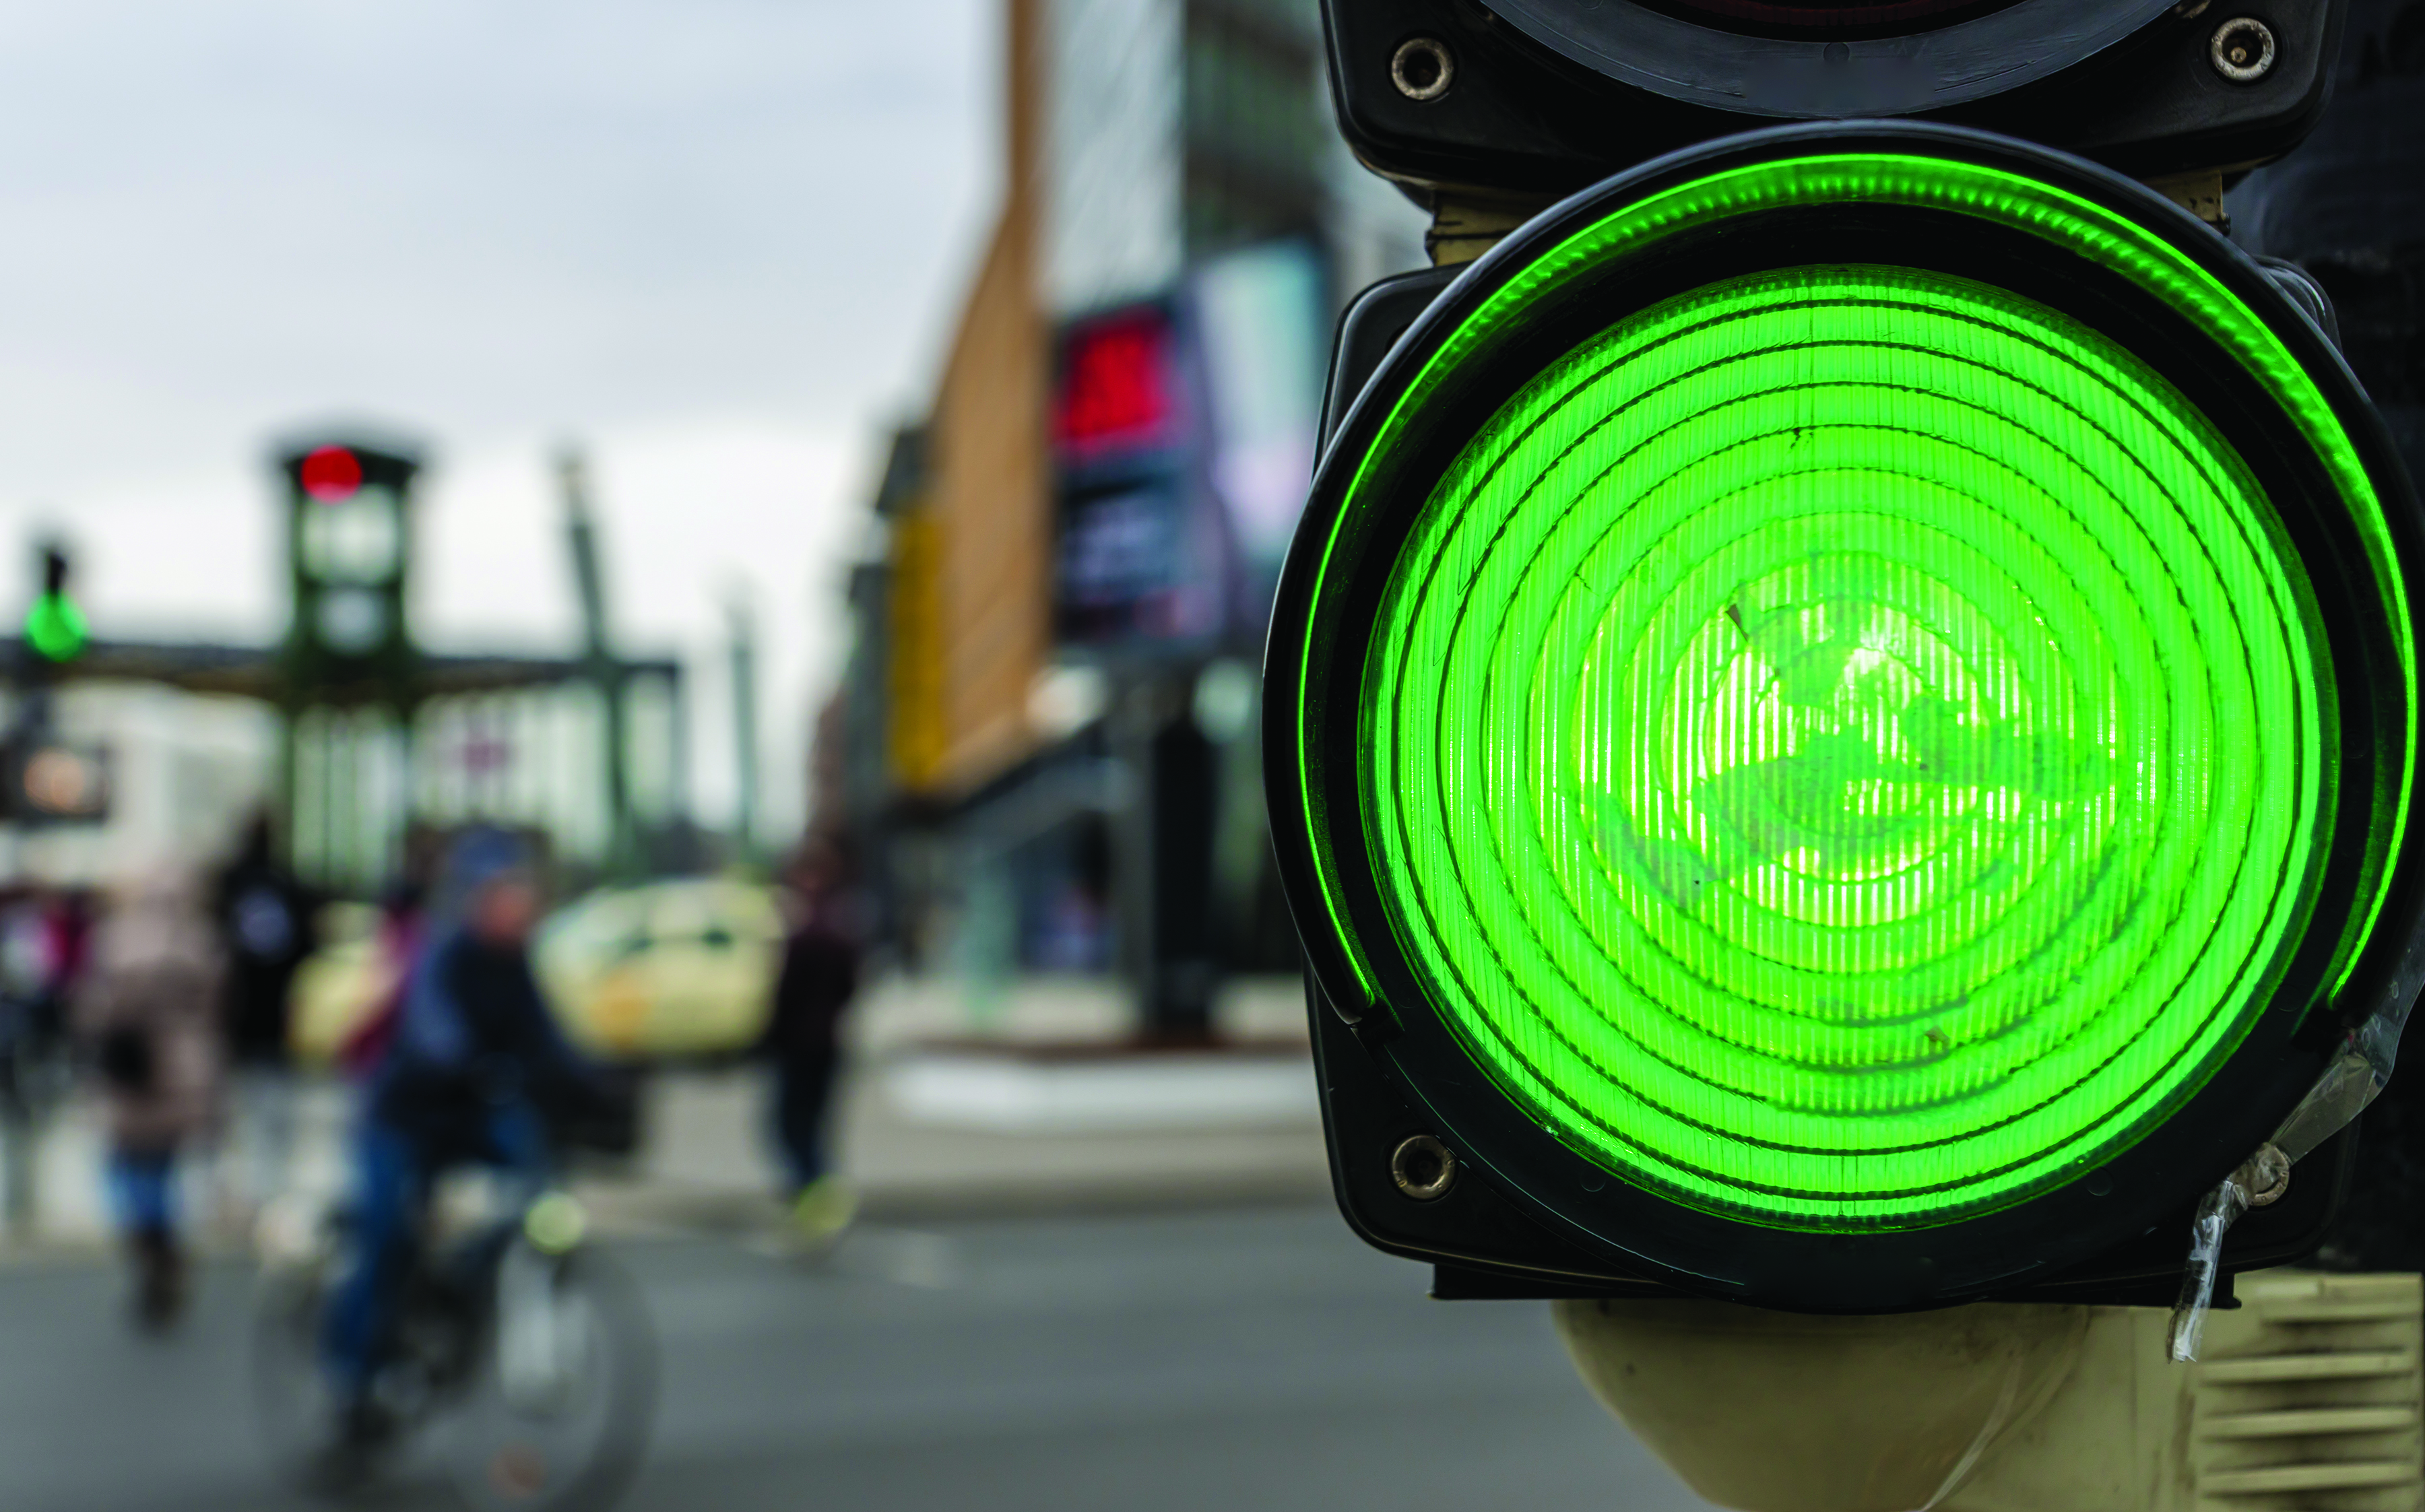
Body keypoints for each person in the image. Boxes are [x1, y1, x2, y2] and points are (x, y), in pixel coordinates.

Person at [321, 827, 592, 1449]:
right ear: (477, 897)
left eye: (525, 894)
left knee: (537, 1189)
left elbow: (552, 1034)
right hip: (404, 1118)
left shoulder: (517, 963)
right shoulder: (441, 952)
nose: (520, 906)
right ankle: (352, 1375)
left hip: (473, 1114)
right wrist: (467, 1059)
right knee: (386, 1235)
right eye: (508, 893)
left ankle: (465, 1286)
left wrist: (598, 1079)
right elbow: (430, 1024)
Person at [73, 867, 225, 1330]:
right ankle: (163, 1242)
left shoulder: (117, 937)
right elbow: (219, 1012)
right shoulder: (204, 941)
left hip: (132, 1072)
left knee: (126, 1166)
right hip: (188, 1070)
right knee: (163, 1166)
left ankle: (150, 1241)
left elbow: (95, 1008)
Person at [211, 813, 319, 1211]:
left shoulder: (233, 884)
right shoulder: (279, 884)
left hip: (245, 1018)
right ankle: (263, 1189)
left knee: (248, 1108)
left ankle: (251, 1190)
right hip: (267, 1016)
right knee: (267, 1110)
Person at [758, 839, 862, 1245]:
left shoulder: (803, 935)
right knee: (815, 1127)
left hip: (799, 1048)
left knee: (789, 1127)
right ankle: (819, 1201)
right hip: (829, 1045)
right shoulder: (841, 929)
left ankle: (816, 1201)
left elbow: (784, 998)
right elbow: (850, 987)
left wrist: (768, 1039)